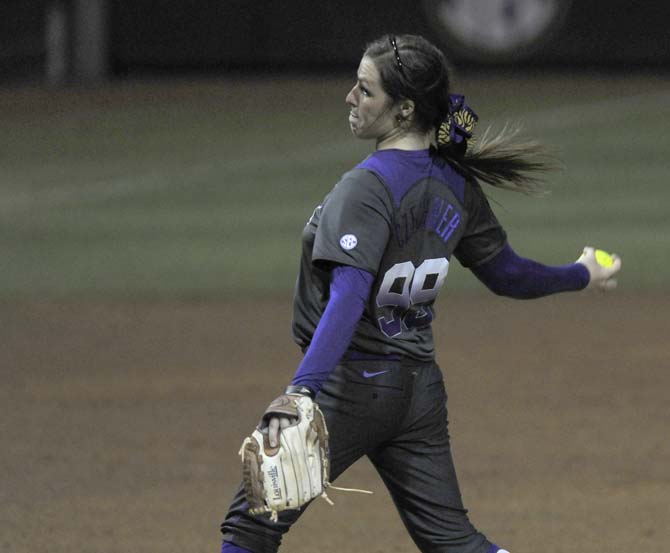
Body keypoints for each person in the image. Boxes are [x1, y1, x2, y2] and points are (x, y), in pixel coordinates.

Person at [219, 34, 621, 553]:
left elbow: (348, 295)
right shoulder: (454, 181)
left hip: (353, 388)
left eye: (365, 91)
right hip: (417, 392)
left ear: (404, 109)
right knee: (454, 541)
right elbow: (509, 275)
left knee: (249, 527)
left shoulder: (366, 186)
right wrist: (580, 274)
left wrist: (301, 392)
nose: (350, 98)